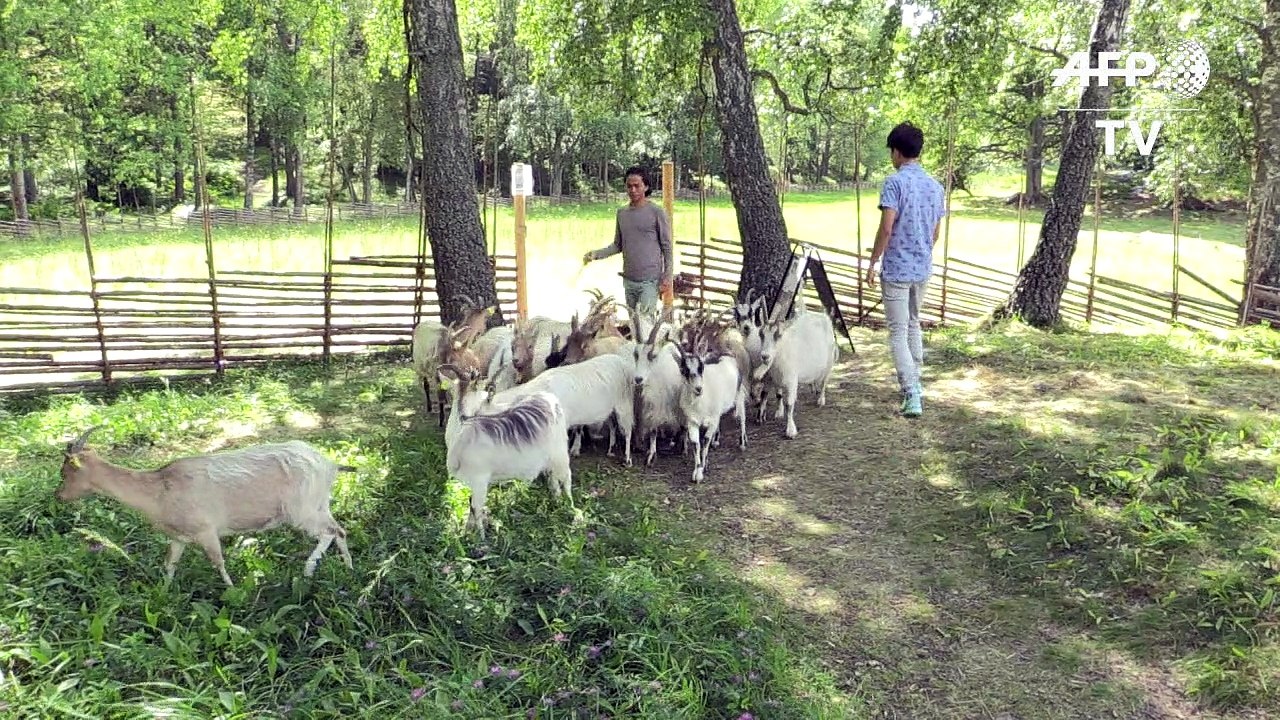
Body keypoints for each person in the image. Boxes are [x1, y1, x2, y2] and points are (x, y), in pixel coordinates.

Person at [864, 122, 946, 418]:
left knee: (898, 331)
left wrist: (873, 261)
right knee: (913, 323)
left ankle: (911, 392)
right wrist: (921, 251)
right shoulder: (935, 186)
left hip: (897, 269)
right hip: (922, 268)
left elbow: (886, 227)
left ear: (897, 152)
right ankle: (917, 380)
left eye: (891, 151)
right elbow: (936, 233)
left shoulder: (894, 183)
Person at [582, 166, 673, 322]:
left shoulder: (656, 212)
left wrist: (667, 277)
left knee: (644, 323)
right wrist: (596, 254)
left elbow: (667, 246)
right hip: (629, 280)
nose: (633, 190)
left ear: (646, 187)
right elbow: (618, 245)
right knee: (633, 323)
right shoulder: (622, 213)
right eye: (629, 186)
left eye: (637, 185)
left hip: (649, 281)